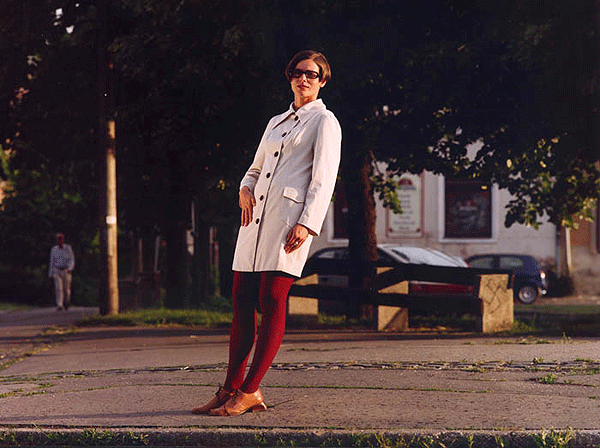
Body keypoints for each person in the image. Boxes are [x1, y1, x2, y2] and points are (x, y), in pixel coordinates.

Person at [192, 50, 341, 416]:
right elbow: (255, 168)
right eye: (297, 72)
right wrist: (244, 188)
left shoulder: (324, 121)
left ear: (322, 80)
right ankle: (230, 387)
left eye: (311, 74)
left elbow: (323, 180)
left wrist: (308, 223)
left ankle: (250, 390)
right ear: (289, 77)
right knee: (241, 298)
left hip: (289, 222)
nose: (303, 79)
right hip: (253, 219)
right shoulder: (276, 121)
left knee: (272, 298)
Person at [48, 233, 75, 311]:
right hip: (57, 270)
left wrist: (70, 268)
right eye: (58, 239)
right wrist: (50, 274)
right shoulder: (54, 249)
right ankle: (59, 304)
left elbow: (72, 259)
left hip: (66, 270)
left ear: (63, 239)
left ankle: (66, 302)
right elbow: (52, 262)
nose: (59, 241)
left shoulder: (68, 248)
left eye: (61, 239)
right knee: (58, 288)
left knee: (66, 289)